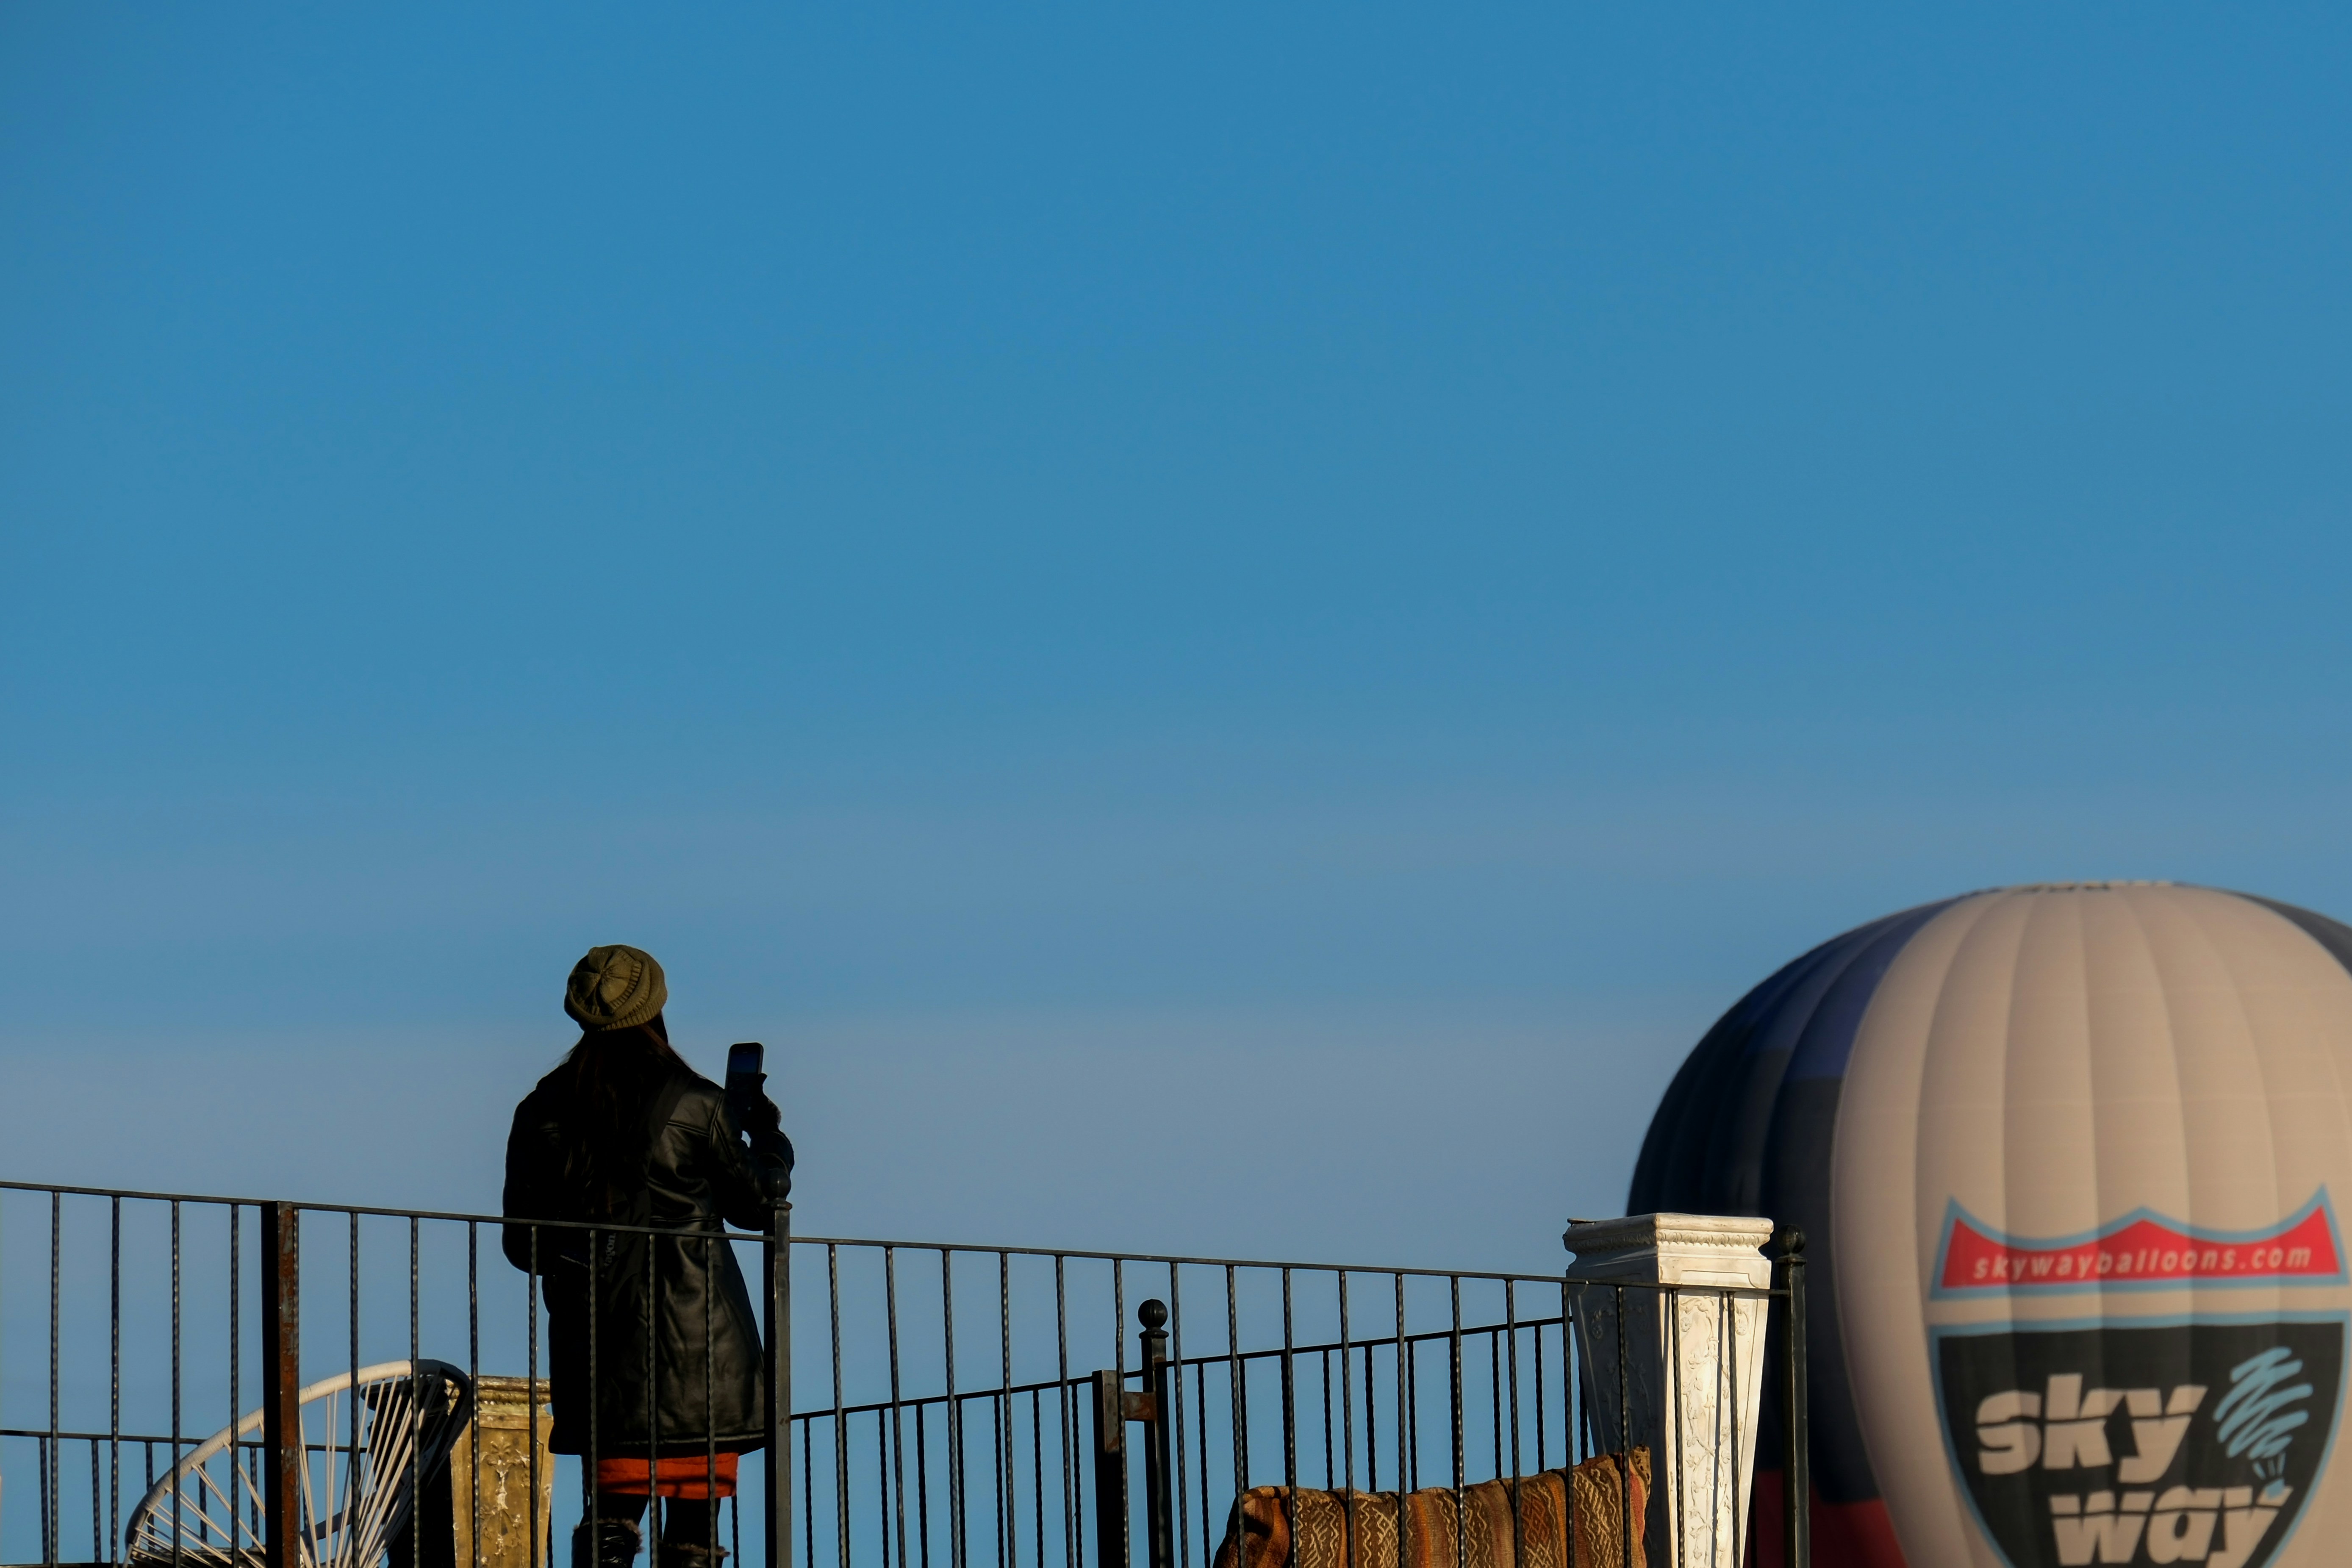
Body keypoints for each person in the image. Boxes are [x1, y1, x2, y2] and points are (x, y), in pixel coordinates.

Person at [503, 945, 794, 1568]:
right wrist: (769, 1140)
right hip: (704, 1354)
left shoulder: (542, 1110)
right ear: (656, 1006)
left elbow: (521, 1246)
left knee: (611, 1514)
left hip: (601, 1348)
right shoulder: (699, 1102)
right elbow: (758, 1204)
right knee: (694, 1525)